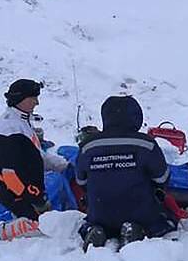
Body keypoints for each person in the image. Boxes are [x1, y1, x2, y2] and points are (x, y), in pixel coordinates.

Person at [75, 95, 177, 249]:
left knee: (94, 220)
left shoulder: (87, 146)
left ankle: (94, 230)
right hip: (140, 211)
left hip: (100, 212)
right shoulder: (146, 144)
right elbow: (162, 178)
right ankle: (136, 229)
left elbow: (80, 181)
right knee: (166, 219)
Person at [0, 79, 68, 226]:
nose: (37, 102)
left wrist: (64, 165)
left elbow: (37, 156)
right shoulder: (8, 130)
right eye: (33, 98)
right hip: (20, 200)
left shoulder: (21, 122)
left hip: (31, 194)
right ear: (20, 99)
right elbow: (10, 175)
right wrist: (37, 200)